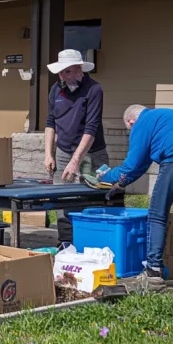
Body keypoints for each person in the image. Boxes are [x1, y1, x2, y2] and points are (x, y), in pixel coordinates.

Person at [98, 105, 173, 284]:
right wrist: (122, 184)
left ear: (131, 121)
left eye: (129, 129)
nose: (132, 132)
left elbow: (130, 165)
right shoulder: (167, 114)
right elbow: (142, 164)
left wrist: (105, 177)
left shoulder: (141, 124)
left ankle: (153, 271)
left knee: (157, 214)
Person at [43, 49, 108, 250]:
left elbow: (91, 128)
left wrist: (76, 161)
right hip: (63, 150)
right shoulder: (56, 89)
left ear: (80, 70)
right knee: (63, 198)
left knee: (93, 197)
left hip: (91, 152)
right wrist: (49, 154)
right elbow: (50, 122)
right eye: (61, 72)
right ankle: (66, 242)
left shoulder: (94, 90)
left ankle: (94, 243)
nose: (63, 76)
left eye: (68, 72)